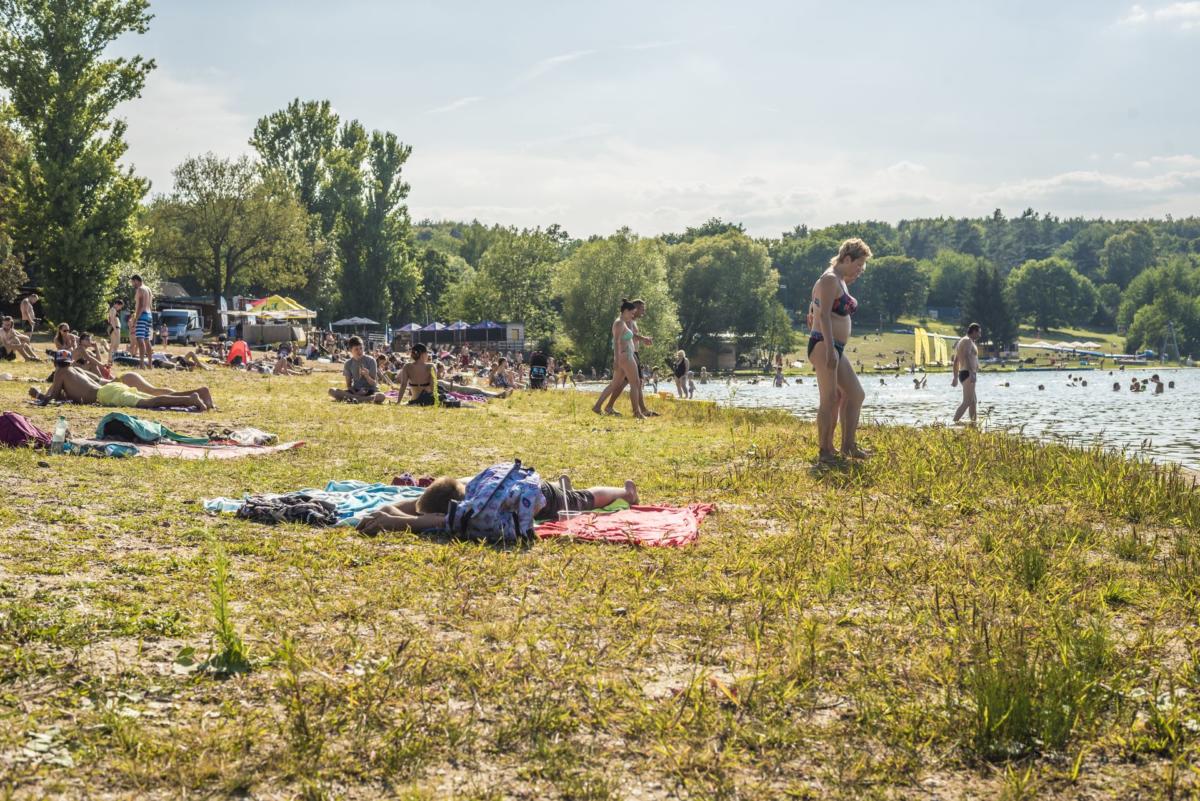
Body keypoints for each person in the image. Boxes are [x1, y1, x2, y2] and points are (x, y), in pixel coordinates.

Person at [357, 471, 640, 535]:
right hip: (531, 484)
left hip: (544, 497)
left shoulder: (473, 509)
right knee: (572, 494)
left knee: (586, 498)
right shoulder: (469, 484)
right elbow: (419, 504)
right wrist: (386, 511)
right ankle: (563, 486)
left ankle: (626, 493)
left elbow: (434, 520)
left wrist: (393, 521)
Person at [807, 237, 871, 462]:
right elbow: (824, 315)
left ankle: (848, 446)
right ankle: (825, 451)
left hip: (835, 345)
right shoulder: (830, 279)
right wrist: (829, 349)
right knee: (830, 398)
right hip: (824, 343)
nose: (860, 269)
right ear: (847, 258)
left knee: (855, 394)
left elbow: (817, 306)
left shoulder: (840, 280)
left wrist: (811, 311)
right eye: (859, 264)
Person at [31, 358, 214, 411]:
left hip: (106, 395)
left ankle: (191, 399)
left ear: (55, 365)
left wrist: (37, 394)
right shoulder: (76, 370)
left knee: (150, 402)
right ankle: (198, 393)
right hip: (110, 388)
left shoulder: (60, 373)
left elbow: (50, 398)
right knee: (152, 395)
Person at [593, 299, 646, 418]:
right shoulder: (619, 323)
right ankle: (637, 412)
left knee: (614, 384)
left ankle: (597, 406)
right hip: (625, 356)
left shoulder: (622, 322)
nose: (632, 316)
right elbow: (616, 342)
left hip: (626, 355)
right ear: (625, 311)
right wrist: (616, 360)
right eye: (631, 313)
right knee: (635, 383)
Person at [330, 336, 386, 404]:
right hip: (356, 391)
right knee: (332, 390)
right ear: (350, 350)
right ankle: (360, 399)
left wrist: (367, 376)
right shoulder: (348, 363)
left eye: (361, 348)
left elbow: (374, 383)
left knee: (381, 396)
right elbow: (349, 385)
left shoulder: (371, 360)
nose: (360, 351)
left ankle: (354, 399)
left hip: (371, 391)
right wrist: (356, 393)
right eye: (356, 349)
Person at [951, 323, 982, 424]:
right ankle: (953, 423)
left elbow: (956, 361)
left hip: (965, 373)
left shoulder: (964, 341)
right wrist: (972, 372)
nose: (980, 335)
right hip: (968, 373)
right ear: (974, 331)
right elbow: (967, 356)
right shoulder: (967, 341)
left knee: (973, 401)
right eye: (979, 332)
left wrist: (955, 377)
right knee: (967, 401)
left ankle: (973, 424)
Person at [131, 275, 153, 368]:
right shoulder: (148, 289)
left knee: (140, 339)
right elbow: (150, 305)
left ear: (136, 280)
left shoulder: (140, 289)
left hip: (142, 315)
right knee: (147, 339)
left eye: (132, 282)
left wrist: (136, 319)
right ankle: (150, 364)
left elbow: (140, 306)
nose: (132, 284)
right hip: (149, 315)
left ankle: (142, 364)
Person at [106, 299, 124, 365]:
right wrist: (115, 329)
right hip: (115, 328)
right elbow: (112, 320)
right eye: (120, 306)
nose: (120, 308)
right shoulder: (113, 310)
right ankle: (110, 360)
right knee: (113, 345)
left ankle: (112, 359)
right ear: (117, 304)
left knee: (116, 345)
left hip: (116, 328)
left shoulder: (114, 310)